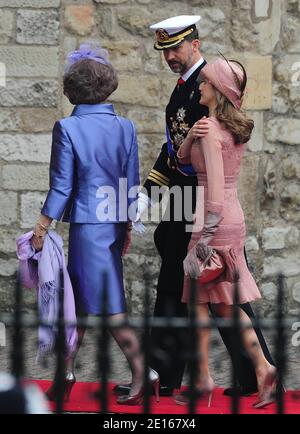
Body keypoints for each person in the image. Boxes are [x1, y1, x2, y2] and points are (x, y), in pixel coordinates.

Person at [114, 15, 275, 398]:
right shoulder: (186, 88)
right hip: (188, 203)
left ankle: (246, 374)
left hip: (202, 208)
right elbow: (174, 147)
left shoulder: (209, 89)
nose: (170, 55)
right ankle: (169, 375)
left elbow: (191, 156)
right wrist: (149, 193)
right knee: (188, 291)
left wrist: (164, 201)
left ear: (195, 45)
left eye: (176, 48)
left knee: (218, 294)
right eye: (165, 50)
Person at [31, 43, 159, 406]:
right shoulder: (126, 127)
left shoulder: (68, 127)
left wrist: (41, 229)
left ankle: (144, 371)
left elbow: (61, 186)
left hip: (88, 228)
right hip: (114, 223)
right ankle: (65, 373)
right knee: (82, 305)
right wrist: (128, 227)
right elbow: (130, 183)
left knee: (108, 307)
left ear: (74, 89)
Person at [174, 57, 277, 409]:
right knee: (215, 304)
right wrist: (189, 136)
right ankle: (251, 371)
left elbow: (213, 193)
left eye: (204, 82)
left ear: (217, 91)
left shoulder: (212, 132)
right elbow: (182, 159)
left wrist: (202, 240)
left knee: (207, 304)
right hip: (230, 220)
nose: (199, 86)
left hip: (211, 223)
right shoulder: (226, 128)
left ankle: (223, 375)